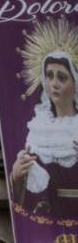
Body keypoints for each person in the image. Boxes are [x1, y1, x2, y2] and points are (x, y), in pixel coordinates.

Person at [9, 52, 78, 215]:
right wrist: (16, 177)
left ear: (75, 83)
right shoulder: (37, 128)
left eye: (62, 77)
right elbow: (27, 197)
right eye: (49, 76)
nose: (54, 83)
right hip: (49, 223)